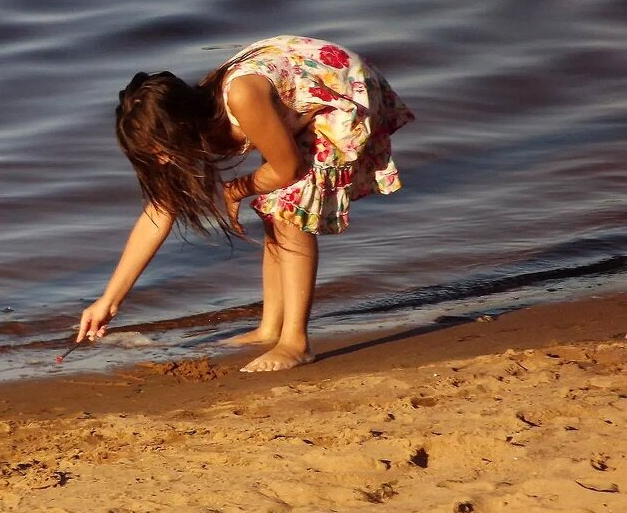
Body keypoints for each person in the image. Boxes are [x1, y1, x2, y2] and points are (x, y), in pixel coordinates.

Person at [76, 35, 413, 372]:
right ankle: (270, 329)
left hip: (343, 89)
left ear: (181, 126)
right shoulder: (197, 122)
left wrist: (236, 190)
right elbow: (160, 212)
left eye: (162, 151)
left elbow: (289, 168)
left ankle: (295, 342)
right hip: (298, 90)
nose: (162, 162)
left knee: (287, 212)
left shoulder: (241, 97)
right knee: (273, 209)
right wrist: (109, 300)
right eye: (153, 157)